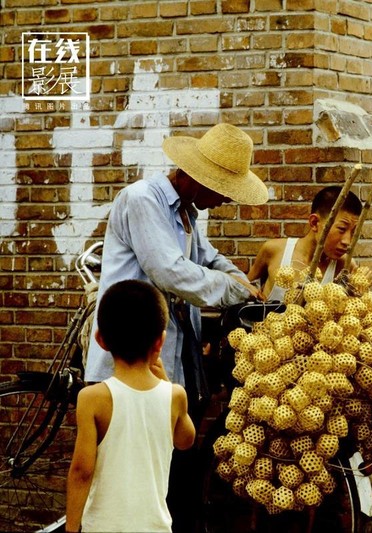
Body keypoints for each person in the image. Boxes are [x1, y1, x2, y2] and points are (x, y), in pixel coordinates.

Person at [83, 122, 268, 532]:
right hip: (128, 362)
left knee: (170, 481)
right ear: (197, 178)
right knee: (129, 482)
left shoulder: (186, 215)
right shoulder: (141, 200)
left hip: (170, 364)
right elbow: (170, 272)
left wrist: (244, 283)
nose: (221, 200)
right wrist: (235, 292)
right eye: (220, 190)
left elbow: (210, 259)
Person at [66, 280, 196, 533]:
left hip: (103, 527)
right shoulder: (175, 395)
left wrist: (71, 528)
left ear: (100, 340)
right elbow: (186, 440)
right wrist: (167, 382)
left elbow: (81, 471)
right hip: (154, 527)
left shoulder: (92, 398)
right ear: (160, 342)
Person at [247, 185, 362, 299]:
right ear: (314, 222)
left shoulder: (345, 266)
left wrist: (359, 288)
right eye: (341, 229)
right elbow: (242, 292)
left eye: (353, 233)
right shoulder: (274, 250)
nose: (347, 241)